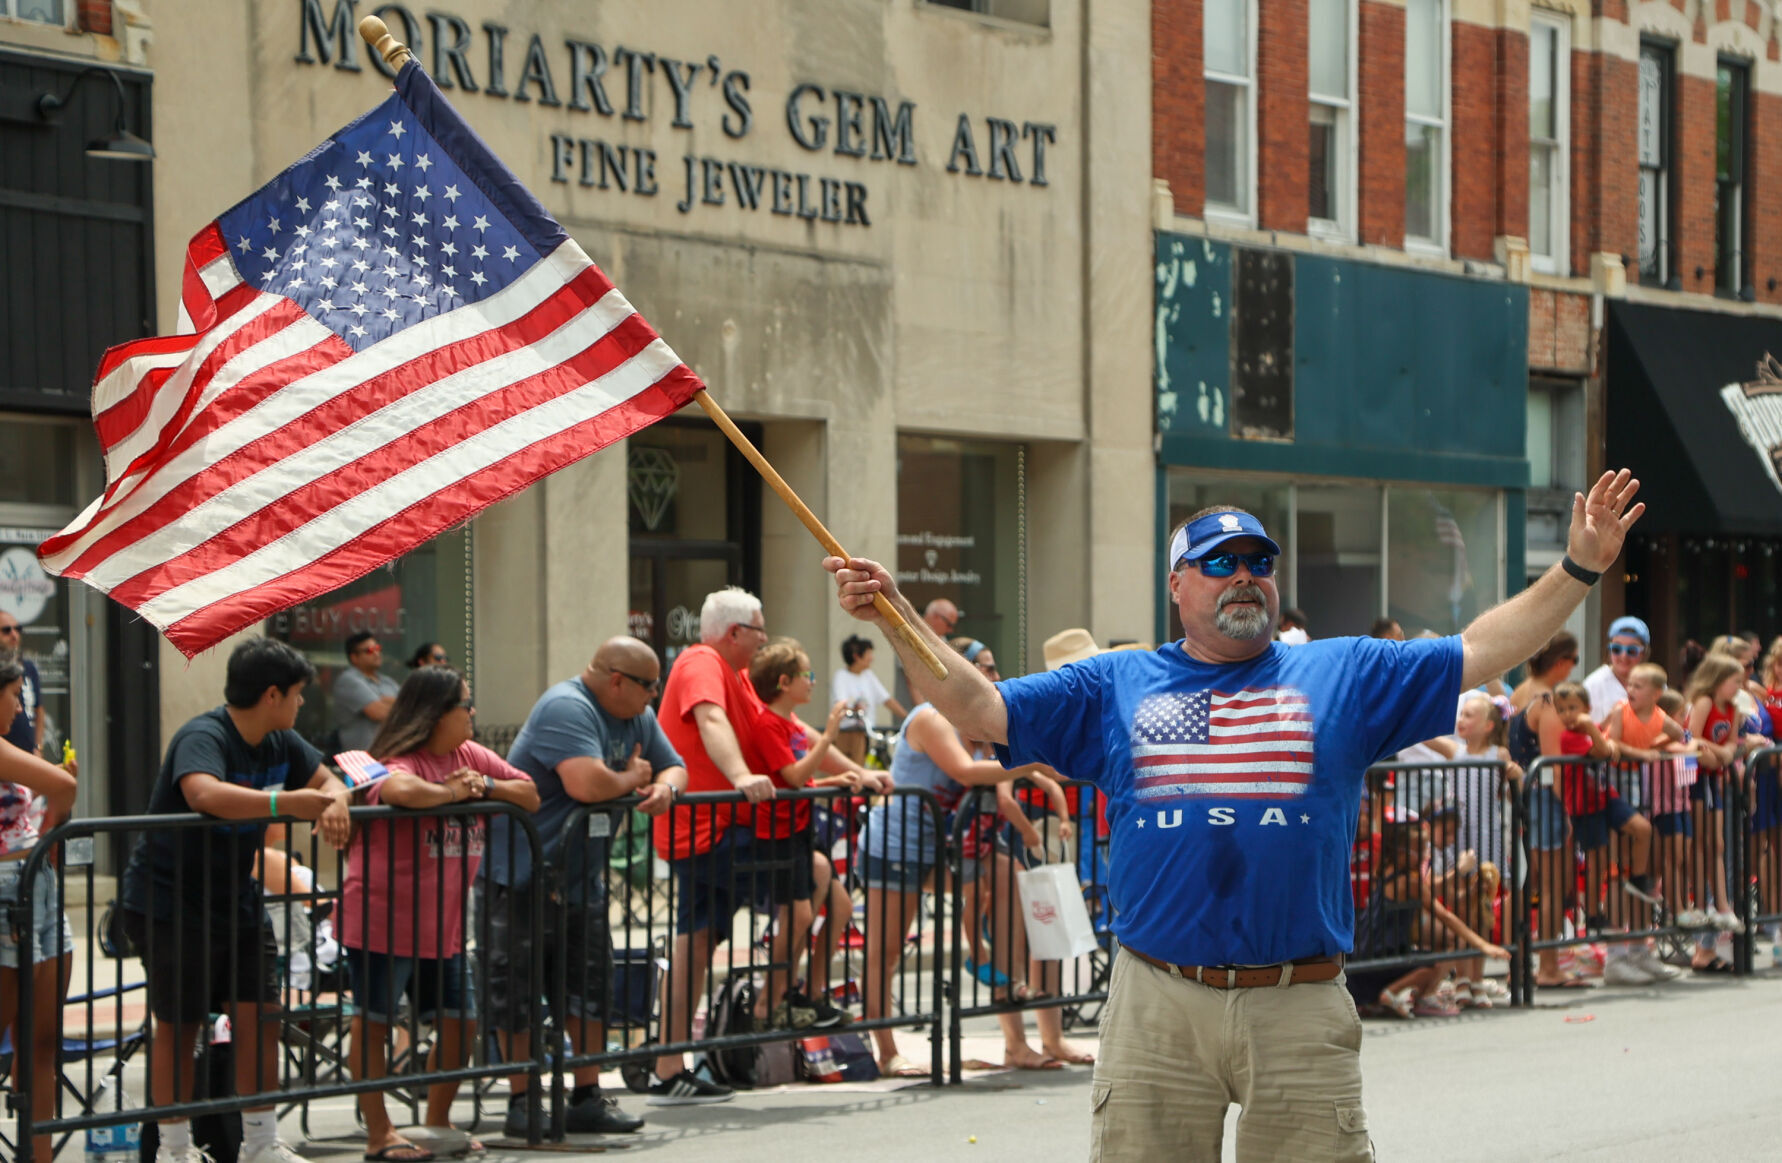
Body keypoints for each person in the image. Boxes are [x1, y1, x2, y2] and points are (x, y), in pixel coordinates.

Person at [826, 468, 1644, 1161]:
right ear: (1177, 584)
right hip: (1156, 1002)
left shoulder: (1345, 671)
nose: (1244, 573)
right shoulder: (1114, 681)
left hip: (1300, 1001)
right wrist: (895, 615)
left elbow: (1481, 649)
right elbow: (976, 705)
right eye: (1220, 561)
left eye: (1259, 559)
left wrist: (1577, 567)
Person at [119, 638, 353, 1163]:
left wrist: (335, 801)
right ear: (272, 694)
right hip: (170, 902)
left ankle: (260, 1142)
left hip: (237, 901)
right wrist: (283, 802)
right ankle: (174, 1150)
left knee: (261, 1015)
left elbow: (329, 778)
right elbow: (203, 793)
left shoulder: (283, 742)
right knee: (181, 1026)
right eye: (296, 695)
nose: (301, 705)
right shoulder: (205, 734)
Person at [339, 665, 539, 1159]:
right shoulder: (389, 756)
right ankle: (379, 1134)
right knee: (375, 1024)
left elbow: (529, 793)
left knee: (461, 1023)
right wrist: (456, 792)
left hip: (443, 926)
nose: (472, 713)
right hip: (383, 919)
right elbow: (399, 791)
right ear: (432, 714)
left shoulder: (468, 754)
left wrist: (484, 786)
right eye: (463, 705)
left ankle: (436, 1122)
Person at [483, 637, 681, 1133]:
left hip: (580, 877)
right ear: (617, 679)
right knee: (521, 993)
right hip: (525, 874)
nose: (653, 696)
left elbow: (673, 764)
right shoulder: (566, 707)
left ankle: (587, 1095)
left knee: (590, 987)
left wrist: (664, 786)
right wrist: (632, 773)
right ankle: (522, 1100)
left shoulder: (636, 714)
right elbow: (586, 784)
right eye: (648, 686)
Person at [647, 588, 775, 1105]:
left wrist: (845, 766)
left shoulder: (738, 674)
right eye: (761, 630)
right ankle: (782, 1006)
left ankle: (669, 1062)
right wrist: (742, 775)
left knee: (697, 942)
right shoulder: (702, 660)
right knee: (810, 881)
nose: (766, 639)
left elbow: (777, 730)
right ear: (735, 633)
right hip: (703, 831)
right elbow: (710, 718)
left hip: (717, 829)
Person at [748, 636, 864, 1028]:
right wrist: (830, 734)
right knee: (796, 916)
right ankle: (771, 1000)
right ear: (784, 682)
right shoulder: (768, 724)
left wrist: (843, 777)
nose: (812, 681)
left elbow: (805, 771)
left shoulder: (791, 723)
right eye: (806, 675)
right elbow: (795, 775)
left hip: (801, 830)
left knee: (841, 906)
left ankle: (811, 994)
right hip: (777, 834)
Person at [0, 658, 78, 1163]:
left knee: (44, 1040)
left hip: (36, 885)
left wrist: (54, 793)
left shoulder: (15, 749)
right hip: (10, 888)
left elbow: (58, 797)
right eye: (12, 695)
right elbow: (65, 790)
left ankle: (40, 1154)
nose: (18, 706)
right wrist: (56, 783)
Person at [1545, 680, 1664, 986]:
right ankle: (1594, 912)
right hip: (1584, 804)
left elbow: (1607, 746)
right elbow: (1603, 750)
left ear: (1586, 707)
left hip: (1603, 795)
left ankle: (1639, 878)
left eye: (1574, 708)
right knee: (1597, 862)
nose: (1569, 715)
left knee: (1642, 829)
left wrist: (1602, 725)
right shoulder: (1571, 736)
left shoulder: (1587, 727)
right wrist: (1594, 729)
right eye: (1562, 710)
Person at [1507, 631, 1580, 988]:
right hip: (1545, 797)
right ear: (1561, 662)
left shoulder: (1520, 692)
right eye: (1574, 660)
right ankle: (1548, 966)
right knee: (1551, 885)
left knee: (1528, 882)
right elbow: (1555, 765)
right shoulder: (1546, 701)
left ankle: (1517, 961)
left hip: (1524, 795)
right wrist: (1568, 810)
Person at [1684, 653, 1761, 954]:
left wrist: (1720, 752)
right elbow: (1694, 742)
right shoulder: (1704, 702)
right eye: (1734, 681)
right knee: (1703, 843)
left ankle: (1722, 905)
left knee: (1716, 844)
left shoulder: (1734, 709)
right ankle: (1708, 905)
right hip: (1696, 780)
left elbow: (1728, 748)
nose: (1739, 687)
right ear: (1717, 680)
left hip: (1714, 779)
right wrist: (1720, 753)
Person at [831, 634, 908, 765]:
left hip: (866, 733)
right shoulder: (841, 676)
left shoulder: (868, 676)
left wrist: (909, 717)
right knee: (852, 770)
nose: (872, 658)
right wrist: (853, 709)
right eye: (868, 654)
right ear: (856, 656)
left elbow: (887, 700)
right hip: (847, 733)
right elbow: (841, 703)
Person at [334, 632, 400, 752]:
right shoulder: (348, 680)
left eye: (377, 648)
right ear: (354, 657)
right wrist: (397, 704)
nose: (376, 653)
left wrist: (382, 700)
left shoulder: (388, 682)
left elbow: (411, 707)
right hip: (362, 762)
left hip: (391, 757)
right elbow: (378, 713)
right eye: (369, 650)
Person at [1584, 615, 1649, 723]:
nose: (1624, 656)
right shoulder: (1593, 685)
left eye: (1632, 650)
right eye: (1616, 649)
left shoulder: (1654, 683)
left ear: (1643, 653)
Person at [0, 614, 44, 757]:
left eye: (17, 629)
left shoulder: (29, 667)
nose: (14, 635)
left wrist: (37, 747)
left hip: (26, 753)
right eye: (6, 630)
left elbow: (39, 710)